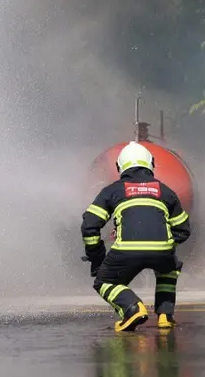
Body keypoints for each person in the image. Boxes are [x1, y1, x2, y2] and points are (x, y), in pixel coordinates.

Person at [82, 141, 191, 332]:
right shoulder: (166, 192)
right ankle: (165, 315)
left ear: (119, 167)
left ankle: (132, 308)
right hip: (162, 252)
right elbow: (183, 229)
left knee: (104, 281)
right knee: (169, 269)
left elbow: (90, 226)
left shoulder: (111, 191)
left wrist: (97, 258)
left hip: (126, 251)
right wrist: (165, 242)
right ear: (151, 164)